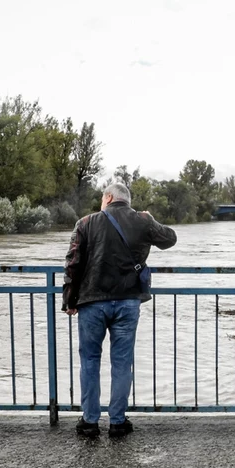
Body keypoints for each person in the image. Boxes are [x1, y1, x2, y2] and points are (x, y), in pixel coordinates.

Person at [63, 182, 177, 439]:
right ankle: (117, 421)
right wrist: (152, 219)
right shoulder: (143, 221)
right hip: (128, 301)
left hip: (92, 302)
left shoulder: (86, 222)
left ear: (109, 198)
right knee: (122, 363)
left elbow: (72, 263)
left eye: (103, 199)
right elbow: (170, 239)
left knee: (90, 360)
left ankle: (90, 421)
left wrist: (69, 301)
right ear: (127, 201)